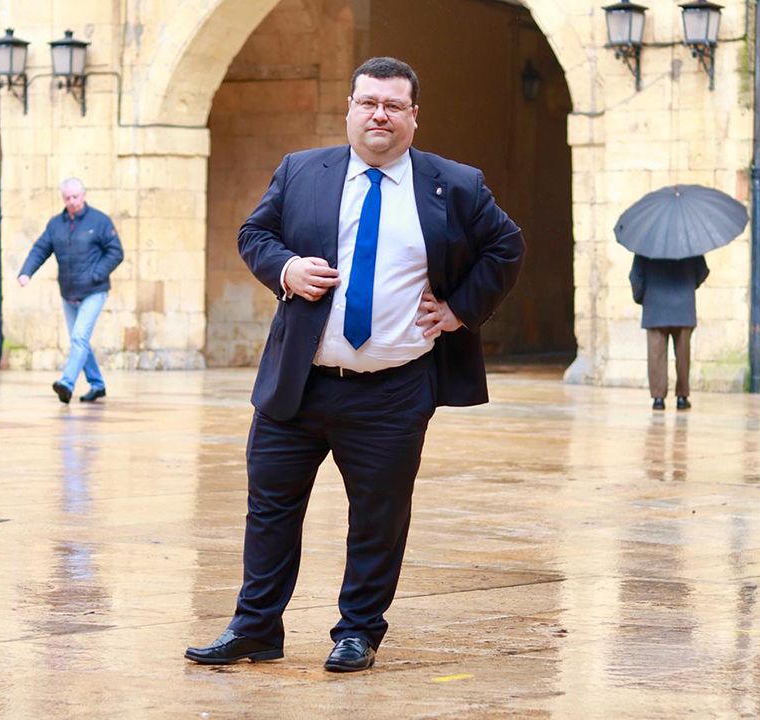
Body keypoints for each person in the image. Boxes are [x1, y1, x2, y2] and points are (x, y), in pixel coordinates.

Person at [185, 57, 524, 673]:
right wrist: (285, 269)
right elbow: (253, 234)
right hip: (300, 381)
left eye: (394, 106)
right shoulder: (302, 171)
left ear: (414, 117)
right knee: (270, 510)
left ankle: (358, 631)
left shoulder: (455, 184)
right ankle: (256, 627)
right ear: (349, 108)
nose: (379, 115)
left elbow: (508, 246)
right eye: (369, 102)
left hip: (393, 391)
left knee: (378, 518)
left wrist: (459, 310)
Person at [18, 178, 124, 404]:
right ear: (63, 199)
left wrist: (97, 274)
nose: (72, 201)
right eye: (67, 198)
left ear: (83, 196)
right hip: (69, 293)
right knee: (81, 341)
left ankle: (66, 382)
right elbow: (40, 249)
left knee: (78, 338)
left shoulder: (100, 221)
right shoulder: (56, 224)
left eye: (76, 196)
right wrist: (26, 272)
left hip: (94, 291)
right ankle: (97, 384)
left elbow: (116, 252)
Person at [629, 254, 708, 410]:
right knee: (683, 355)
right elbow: (702, 271)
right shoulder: (690, 240)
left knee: (656, 354)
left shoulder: (646, 242)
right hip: (683, 307)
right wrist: (688, 287)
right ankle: (682, 397)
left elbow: (635, 276)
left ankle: (658, 398)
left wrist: (642, 297)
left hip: (655, 305)